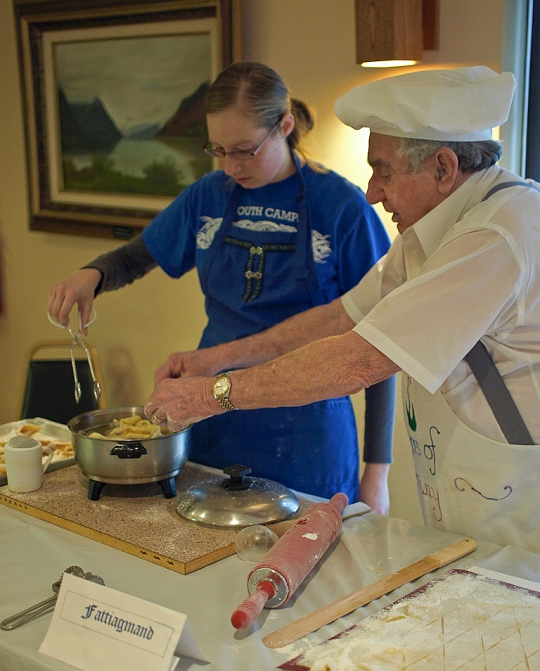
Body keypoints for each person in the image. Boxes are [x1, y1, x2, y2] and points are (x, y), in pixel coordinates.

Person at [145, 65, 540, 553]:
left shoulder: (495, 236)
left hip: (519, 503)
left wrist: (212, 395)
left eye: (384, 171)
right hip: (472, 484)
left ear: (443, 168)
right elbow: (340, 317)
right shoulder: (432, 231)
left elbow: (359, 358)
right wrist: (217, 358)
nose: (373, 192)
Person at [48, 61, 395, 510]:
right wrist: (90, 276)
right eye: (218, 150)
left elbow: (380, 343)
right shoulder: (208, 195)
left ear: (284, 125)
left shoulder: (343, 208)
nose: (231, 166)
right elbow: (138, 255)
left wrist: (377, 472)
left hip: (305, 431)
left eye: (245, 150)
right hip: (213, 415)